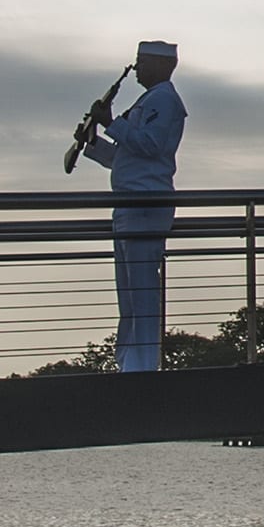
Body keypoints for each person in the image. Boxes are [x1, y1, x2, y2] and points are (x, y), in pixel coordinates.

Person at [80, 41, 185, 373]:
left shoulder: (164, 101)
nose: (136, 67)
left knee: (141, 293)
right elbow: (127, 156)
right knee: (129, 296)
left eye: (141, 62)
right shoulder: (150, 100)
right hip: (129, 203)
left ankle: (142, 366)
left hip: (146, 203)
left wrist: (112, 122)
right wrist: (94, 141)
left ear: (159, 63)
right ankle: (129, 365)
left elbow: (150, 146)